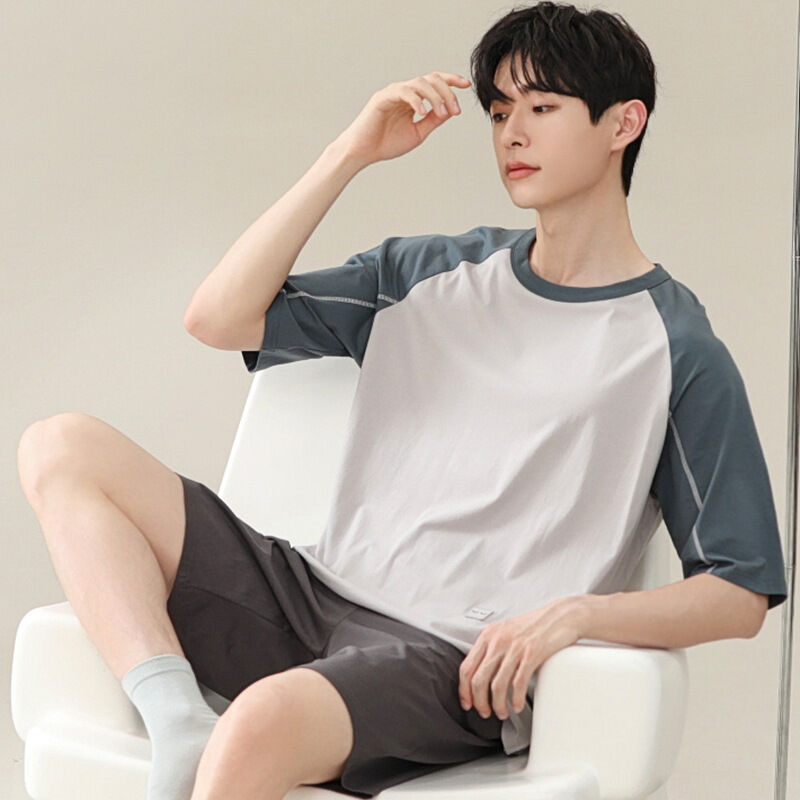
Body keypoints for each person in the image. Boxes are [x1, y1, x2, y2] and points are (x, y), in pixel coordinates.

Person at [16, 2, 788, 800]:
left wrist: (577, 616)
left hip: (450, 660)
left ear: (623, 123)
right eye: (500, 112)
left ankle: (209, 741)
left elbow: (738, 592)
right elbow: (217, 317)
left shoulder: (675, 348)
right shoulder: (425, 274)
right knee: (59, 445)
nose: (512, 135)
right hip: (310, 594)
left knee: (259, 722)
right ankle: (179, 720)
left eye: (543, 108)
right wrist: (348, 154)